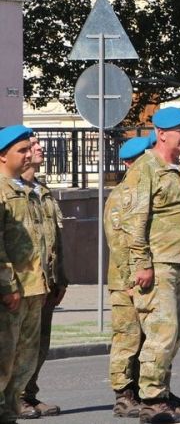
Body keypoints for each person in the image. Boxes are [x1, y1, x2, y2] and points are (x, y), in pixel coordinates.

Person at [119, 108, 180, 423]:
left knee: (173, 335)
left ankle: (162, 392)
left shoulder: (176, 170)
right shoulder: (146, 168)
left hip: (179, 262)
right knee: (161, 333)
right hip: (159, 264)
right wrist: (142, 263)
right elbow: (134, 221)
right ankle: (152, 401)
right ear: (161, 133)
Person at [18, 136, 67, 418]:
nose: (39, 148)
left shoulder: (43, 191)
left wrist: (62, 277)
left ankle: (27, 394)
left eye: (37, 144)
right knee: (18, 344)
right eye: (30, 145)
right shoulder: (9, 191)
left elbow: (56, 239)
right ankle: (13, 397)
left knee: (39, 343)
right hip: (20, 283)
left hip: (46, 282)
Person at [0, 126, 47, 424]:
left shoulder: (28, 190)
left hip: (33, 289)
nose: (29, 154)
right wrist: (7, 286)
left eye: (30, 148)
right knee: (3, 363)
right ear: (3, 155)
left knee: (24, 363)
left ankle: (9, 415)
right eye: (22, 150)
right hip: (11, 292)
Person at [105, 136, 152, 418]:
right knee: (127, 337)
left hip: (144, 279)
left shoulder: (144, 191)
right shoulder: (122, 195)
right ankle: (123, 395)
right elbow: (119, 243)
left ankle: (145, 390)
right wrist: (130, 279)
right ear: (131, 163)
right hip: (126, 282)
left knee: (148, 338)